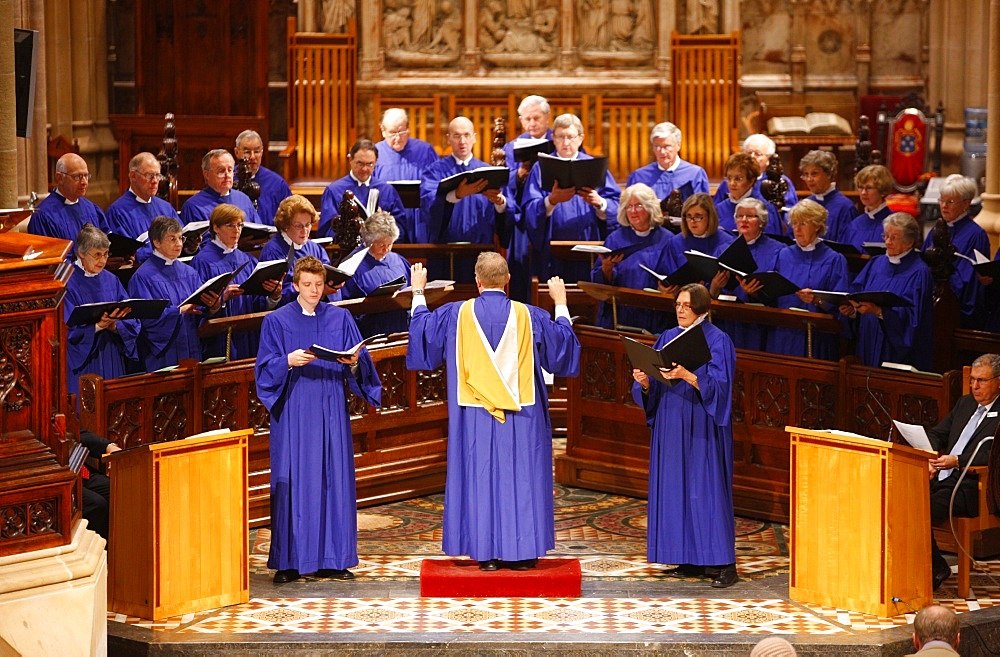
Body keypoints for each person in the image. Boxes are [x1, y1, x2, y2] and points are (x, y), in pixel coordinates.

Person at [406, 252, 580, 570]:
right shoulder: (531, 316)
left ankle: (485, 554)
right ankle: (523, 554)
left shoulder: (455, 314)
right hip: (522, 415)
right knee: (522, 479)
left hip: (473, 415)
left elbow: (424, 342)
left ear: (477, 280)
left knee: (480, 477)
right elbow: (562, 354)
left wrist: (418, 292)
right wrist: (561, 303)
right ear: (508, 280)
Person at [256, 256, 382, 584]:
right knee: (295, 481)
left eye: (318, 285)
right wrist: (287, 360)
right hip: (296, 410)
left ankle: (332, 558)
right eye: (307, 285)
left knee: (333, 478)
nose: (314, 291)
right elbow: (263, 370)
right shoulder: (277, 321)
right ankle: (289, 561)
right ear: (295, 285)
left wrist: (354, 362)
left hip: (331, 409)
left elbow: (359, 363)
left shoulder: (340, 318)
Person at [631, 283, 738, 588]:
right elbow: (654, 382)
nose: (680, 310)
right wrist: (645, 382)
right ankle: (687, 556)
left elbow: (722, 388)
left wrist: (688, 375)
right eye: (677, 304)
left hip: (702, 424)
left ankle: (723, 564)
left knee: (706, 490)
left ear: (702, 309)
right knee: (676, 488)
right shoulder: (667, 337)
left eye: (686, 306)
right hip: (671, 421)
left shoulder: (719, 341)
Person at [926, 353, 1000, 591]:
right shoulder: (966, 403)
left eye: (982, 381)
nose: (975, 386)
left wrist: (958, 461)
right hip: (942, 478)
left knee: (919, 508)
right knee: (899, 499)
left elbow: (993, 455)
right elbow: (939, 433)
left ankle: (935, 567)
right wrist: (925, 451)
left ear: (998, 381)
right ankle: (922, 566)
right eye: (972, 380)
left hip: (971, 486)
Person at [522, 113, 621, 284]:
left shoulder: (594, 166)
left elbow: (617, 206)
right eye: (560, 137)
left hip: (589, 251)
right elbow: (529, 209)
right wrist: (551, 200)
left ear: (581, 138)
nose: (566, 142)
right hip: (552, 255)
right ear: (553, 138)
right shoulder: (541, 168)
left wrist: (600, 203)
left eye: (570, 137)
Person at [420, 116, 513, 282]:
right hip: (443, 252)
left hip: (480, 252)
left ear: (474, 138)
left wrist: (500, 203)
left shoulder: (488, 172)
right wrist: (456, 195)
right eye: (456, 136)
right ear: (448, 138)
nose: (462, 141)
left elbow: (509, 209)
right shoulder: (435, 171)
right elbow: (428, 204)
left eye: (467, 135)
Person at [127, 216, 223, 370]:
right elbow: (145, 319)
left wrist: (213, 306)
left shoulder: (189, 272)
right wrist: (178, 311)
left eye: (180, 238)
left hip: (191, 345)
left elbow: (201, 310)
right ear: (156, 242)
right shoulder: (143, 277)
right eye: (172, 239)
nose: (179, 244)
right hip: (164, 353)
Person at [841, 213, 933, 370]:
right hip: (868, 339)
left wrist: (879, 311)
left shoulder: (919, 272)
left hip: (893, 348)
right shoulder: (876, 263)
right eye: (886, 236)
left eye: (894, 238)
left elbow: (914, 318)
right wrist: (852, 310)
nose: (887, 242)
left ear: (909, 242)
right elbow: (856, 292)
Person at [191, 205, 282, 360]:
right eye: (230, 225)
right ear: (216, 227)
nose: (237, 230)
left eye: (239, 225)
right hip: (220, 340)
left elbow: (257, 303)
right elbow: (196, 308)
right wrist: (222, 299)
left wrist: (273, 296)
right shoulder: (202, 261)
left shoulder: (247, 260)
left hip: (247, 338)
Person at [765, 199, 849, 360]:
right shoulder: (783, 255)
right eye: (794, 223)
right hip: (783, 335)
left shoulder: (834, 260)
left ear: (817, 226)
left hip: (816, 336)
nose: (796, 229)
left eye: (803, 223)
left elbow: (842, 304)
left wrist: (817, 300)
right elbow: (770, 293)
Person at [63, 224, 139, 398]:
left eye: (106, 254)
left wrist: (115, 326)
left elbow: (132, 320)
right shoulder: (67, 282)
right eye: (97, 255)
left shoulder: (112, 280)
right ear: (81, 253)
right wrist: (97, 326)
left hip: (110, 352)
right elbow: (65, 329)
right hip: (84, 360)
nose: (103, 261)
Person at [590, 183, 673, 333]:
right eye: (629, 207)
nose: (633, 212)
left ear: (650, 208)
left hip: (657, 317)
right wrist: (606, 269)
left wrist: (668, 287)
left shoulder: (668, 240)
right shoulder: (615, 239)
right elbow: (599, 285)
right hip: (621, 316)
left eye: (639, 206)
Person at [714, 198, 786, 350]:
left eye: (750, 216)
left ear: (761, 221)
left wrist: (755, 294)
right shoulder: (724, 248)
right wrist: (715, 286)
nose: (744, 220)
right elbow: (712, 289)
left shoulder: (778, 250)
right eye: (739, 216)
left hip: (758, 325)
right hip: (727, 319)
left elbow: (779, 290)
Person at [503, 95, 554, 301]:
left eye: (536, 118)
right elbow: (503, 181)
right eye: (527, 119)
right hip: (522, 218)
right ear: (520, 120)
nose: (532, 123)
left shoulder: (559, 141)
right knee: (521, 269)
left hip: (551, 216)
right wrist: (519, 175)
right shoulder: (511, 147)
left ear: (547, 117)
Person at [923, 174, 988, 329]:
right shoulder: (936, 229)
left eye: (950, 202)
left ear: (966, 203)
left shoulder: (976, 234)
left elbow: (971, 278)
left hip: (955, 307)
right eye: (941, 200)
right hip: (930, 301)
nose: (943, 206)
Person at [340, 211, 412, 337]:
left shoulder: (399, 260)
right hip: (371, 333)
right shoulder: (352, 265)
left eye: (390, 244)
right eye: (381, 245)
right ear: (368, 241)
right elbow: (347, 307)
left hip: (402, 330)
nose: (386, 250)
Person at [373, 108, 440, 243]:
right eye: (392, 132)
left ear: (408, 128)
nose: (397, 138)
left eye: (402, 131)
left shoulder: (425, 151)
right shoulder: (375, 153)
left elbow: (437, 184)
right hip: (387, 220)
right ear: (383, 130)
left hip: (420, 219)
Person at [319, 139, 406, 240]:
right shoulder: (334, 190)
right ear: (350, 159)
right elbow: (326, 231)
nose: (364, 169)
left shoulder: (387, 190)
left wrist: (384, 223)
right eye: (360, 163)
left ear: (376, 162)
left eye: (370, 164)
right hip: (346, 250)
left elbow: (401, 228)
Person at [260, 195, 336, 304]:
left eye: (308, 224)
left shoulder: (315, 248)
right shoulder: (273, 252)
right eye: (298, 226)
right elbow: (272, 297)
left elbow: (328, 275)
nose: (305, 231)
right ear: (285, 225)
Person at [653, 193, 735, 292]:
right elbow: (664, 276)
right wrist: (663, 288)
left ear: (710, 217)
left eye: (698, 216)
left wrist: (713, 289)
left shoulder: (727, 243)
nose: (692, 221)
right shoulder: (675, 243)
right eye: (688, 216)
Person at [105, 152, 177, 263]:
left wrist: (190, 246)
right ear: (133, 176)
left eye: (157, 175)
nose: (155, 181)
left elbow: (182, 236)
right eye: (149, 175)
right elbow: (128, 255)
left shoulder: (165, 207)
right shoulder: (117, 212)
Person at [28, 153, 111, 241]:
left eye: (86, 176)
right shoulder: (43, 216)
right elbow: (47, 253)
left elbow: (107, 243)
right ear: (60, 178)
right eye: (77, 177)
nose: (84, 182)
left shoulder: (92, 209)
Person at [626, 122, 710, 204]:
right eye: (657, 146)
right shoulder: (639, 176)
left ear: (678, 145)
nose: (662, 151)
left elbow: (704, 209)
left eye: (667, 146)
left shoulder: (694, 174)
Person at [713, 134, 798, 213]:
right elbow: (716, 209)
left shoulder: (779, 181)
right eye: (749, 153)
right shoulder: (728, 182)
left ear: (768, 159)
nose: (752, 157)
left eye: (758, 154)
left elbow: (790, 211)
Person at [180, 149, 261, 226]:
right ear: (207, 174)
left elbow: (259, 230)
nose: (227, 175)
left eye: (230, 170)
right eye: (221, 171)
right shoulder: (193, 206)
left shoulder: (243, 199)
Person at [714, 152, 783, 237]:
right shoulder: (719, 209)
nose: (732, 183)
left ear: (751, 180)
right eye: (729, 178)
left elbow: (772, 243)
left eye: (738, 179)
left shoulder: (765, 209)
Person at [233, 129, 292, 225]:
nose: (252, 157)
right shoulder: (228, 179)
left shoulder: (277, 183)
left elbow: (289, 217)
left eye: (256, 151)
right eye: (247, 151)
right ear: (236, 152)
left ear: (262, 152)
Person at [798, 150, 855, 244]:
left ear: (828, 174)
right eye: (806, 174)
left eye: (814, 174)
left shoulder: (845, 207)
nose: (809, 179)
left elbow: (845, 245)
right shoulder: (804, 204)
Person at [79, 430, 122, 541]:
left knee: (120, 489)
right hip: (51, 475)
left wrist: (108, 446)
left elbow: (76, 432)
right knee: (97, 504)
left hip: (79, 471)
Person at [847, 165, 894, 251]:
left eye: (869, 188)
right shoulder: (855, 224)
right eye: (860, 187)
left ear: (882, 191)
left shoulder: (894, 224)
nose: (863, 192)